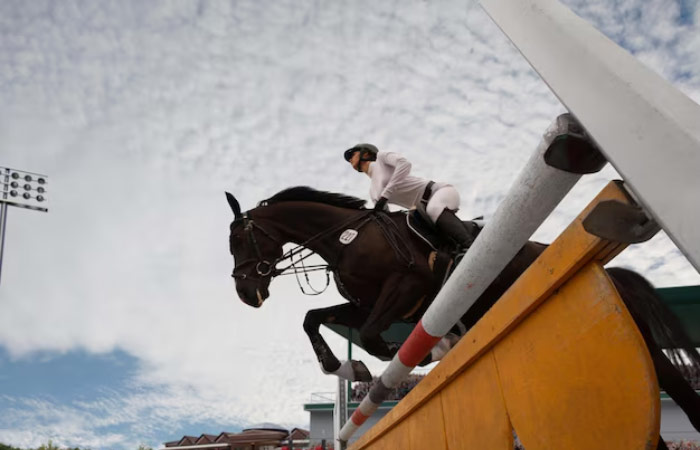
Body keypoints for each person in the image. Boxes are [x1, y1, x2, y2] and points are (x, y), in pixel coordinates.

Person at [343, 143, 473, 250]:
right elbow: (385, 217)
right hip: (422, 213)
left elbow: (404, 164)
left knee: (433, 209)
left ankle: (470, 246)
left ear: (365, 153)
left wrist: (386, 194)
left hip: (439, 192)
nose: (350, 159)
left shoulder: (382, 158)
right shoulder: (373, 192)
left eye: (352, 154)